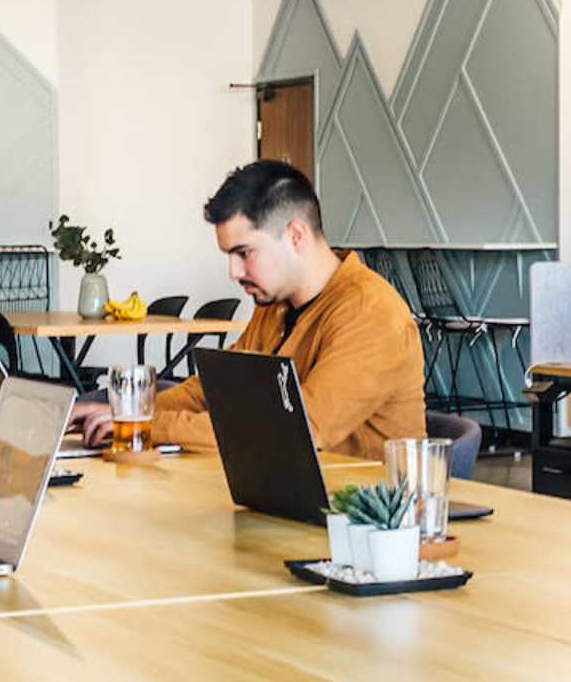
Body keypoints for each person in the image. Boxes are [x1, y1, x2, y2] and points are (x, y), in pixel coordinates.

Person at [147, 159, 426, 460]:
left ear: (295, 236)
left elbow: (296, 428)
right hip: (285, 488)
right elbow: (218, 390)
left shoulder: (371, 312)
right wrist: (130, 411)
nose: (234, 271)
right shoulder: (275, 305)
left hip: (362, 501)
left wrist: (149, 426)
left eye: (244, 253)